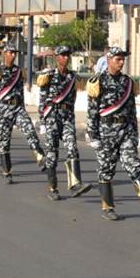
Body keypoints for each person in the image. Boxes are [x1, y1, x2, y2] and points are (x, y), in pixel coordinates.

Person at [85, 46, 140, 220]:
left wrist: (134, 133)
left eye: (123, 59)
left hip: (126, 130)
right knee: (106, 169)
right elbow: (92, 111)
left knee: (132, 162)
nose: (121, 63)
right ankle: (108, 207)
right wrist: (93, 135)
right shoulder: (97, 81)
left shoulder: (128, 82)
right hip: (106, 131)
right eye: (118, 59)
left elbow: (131, 110)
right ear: (109, 59)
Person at [36, 46, 89, 197]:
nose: (66, 58)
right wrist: (43, 121)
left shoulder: (73, 77)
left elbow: (73, 98)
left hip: (67, 117)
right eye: (63, 55)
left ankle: (75, 184)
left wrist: (71, 115)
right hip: (52, 116)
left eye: (67, 55)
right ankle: (53, 188)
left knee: (72, 147)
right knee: (52, 153)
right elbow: (42, 99)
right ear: (56, 57)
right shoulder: (48, 75)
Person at [0, 44, 44, 185]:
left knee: (29, 129)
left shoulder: (18, 71)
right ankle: (7, 171)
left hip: (18, 107)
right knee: (4, 142)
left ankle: (39, 155)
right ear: (5, 53)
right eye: (11, 52)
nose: (13, 55)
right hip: (4, 108)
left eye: (15, 53)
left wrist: (23, 107)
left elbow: (20, 91)